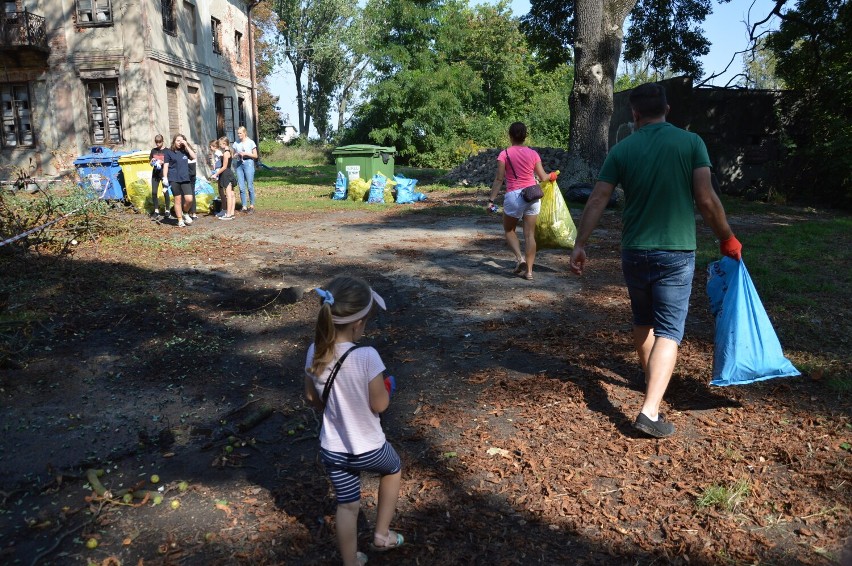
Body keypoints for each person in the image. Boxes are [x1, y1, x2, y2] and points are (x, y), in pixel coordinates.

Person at [568, 82, 743, 439]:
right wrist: (727, 238)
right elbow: (706, 199)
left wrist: (580, 244)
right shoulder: (691, 143)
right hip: (676, 252)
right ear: (667, 109)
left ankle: (653, 382)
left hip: (634, 250)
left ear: (634, 114)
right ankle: (649, 410)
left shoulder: (623, 148)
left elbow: (599, 198)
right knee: (669, 330)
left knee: (643, 319)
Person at [304, 276, 404, 565]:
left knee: (347, 505)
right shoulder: (367, 356)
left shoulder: (314, 351)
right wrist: (388, 388)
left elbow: (311, 398)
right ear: (359, 324)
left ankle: (350, 561)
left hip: (333, 450)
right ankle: (382, 534)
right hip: (370, 447)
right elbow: (380, 405)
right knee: (393, 469)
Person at [487, 122, 557, 280]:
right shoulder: (533, 154)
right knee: (530, 235)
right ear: (525, 136)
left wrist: (491, 200)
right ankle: (530, 272)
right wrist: (552, 176)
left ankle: (520, 259)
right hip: (532, 196)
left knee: (509, 230)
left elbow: (499, 179)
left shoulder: (504, 154)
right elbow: (543, 177)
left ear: (510, 136)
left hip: (514, 197)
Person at [161, 134, 197, 228]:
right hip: (174, 179)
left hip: (185, 178)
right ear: (174, 141)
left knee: (189, 199)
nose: (180, 142)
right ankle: (180, 220)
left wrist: (187, 145)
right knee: (178, 199)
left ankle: (185, 213)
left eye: (181, 140)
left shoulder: (185, 150)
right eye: (178, 140)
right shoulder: (169, 152)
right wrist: (165, 178)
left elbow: (193, 157)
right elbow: (165, 165)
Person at [232, 126, 258, 213]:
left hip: (248, 163)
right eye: (238, 133)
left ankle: (252, 205)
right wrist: (236, 155)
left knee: (249, 186)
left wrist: (246, 153)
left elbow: (255, 155)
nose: (239, 135)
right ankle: (244, 206)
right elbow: (233, 154)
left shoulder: (250, 142)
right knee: (241, 186)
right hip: (239, 164)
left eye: (240, 133)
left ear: (244, 133)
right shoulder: (236, 143)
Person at [214, 136, 237, 221]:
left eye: (220, 144)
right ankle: (231, 213)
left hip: (226, 174)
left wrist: (216, 174)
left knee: (229, 195)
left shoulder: (226, 153)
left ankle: (228, 214)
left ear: (224, 143)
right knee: (232, 194)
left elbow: (224, 167)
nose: (220, 146)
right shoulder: (229, 152)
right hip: (229, 173)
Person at [149, 135, 169, 219]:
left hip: (164, 174)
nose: (157, 144)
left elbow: (170, 162)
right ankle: (156, 210)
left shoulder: (167, 151)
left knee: (165, 191)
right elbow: (150, 163)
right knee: (154, 192)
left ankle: (167, 210)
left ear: (162, 141)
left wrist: (162, 162)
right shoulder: (153, 151)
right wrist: (152, 161)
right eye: (156, 142)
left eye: (159, 142)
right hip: (155, 174)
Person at [209, 139, 225, 217]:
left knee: (221, 190)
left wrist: (217, 169)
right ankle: (222, 208)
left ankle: (224, 208)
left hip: (219, 171)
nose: (210, 148)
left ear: (214, 146)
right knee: (220, 190)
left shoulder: (218, 153)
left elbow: (221, 160)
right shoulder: (215, 153)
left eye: (210, 147)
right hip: (217, 170)